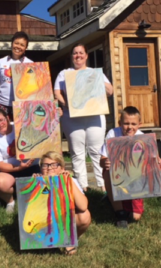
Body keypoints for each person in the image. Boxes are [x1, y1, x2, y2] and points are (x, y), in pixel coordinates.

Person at [54, 43, 113, 192]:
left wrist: (98, 80)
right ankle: (82, 188)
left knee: (97, 151)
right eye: (75, 53)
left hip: (94, 117)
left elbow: (110, 91)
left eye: (81, 53)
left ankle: (103, 187)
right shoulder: (64, 73)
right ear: (71, 56)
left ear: (86, 56)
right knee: (77, 153)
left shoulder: (94, 73)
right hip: (72, 118)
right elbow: (57, 93)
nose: (78, 55)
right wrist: (68, 104)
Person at [99, 106, 159, 228]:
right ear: (120, 123)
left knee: (135, 217)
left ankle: (115, 199)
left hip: (135, 177)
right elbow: (102, 160)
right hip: (118, 175)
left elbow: (153, 160)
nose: (129, 127)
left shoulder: (144, 138)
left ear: (139, 124)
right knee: (107, 171)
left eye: (133, 124)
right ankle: (119, 213)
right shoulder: (113, 134)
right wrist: (105, 162)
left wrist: (157, 161)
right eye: (126, 123)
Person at [0, 108, 39, 213]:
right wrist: (18, 168)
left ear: (7, 118)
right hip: (9, 172)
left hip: (31, 166)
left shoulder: (20, 126)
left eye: (1, 120)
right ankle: (10, 201)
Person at [38, 151, 91, 255]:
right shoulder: (36, 181)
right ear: (41, 168)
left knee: (85, 216)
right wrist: (36, 185)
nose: (49, 168)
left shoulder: (70, 180)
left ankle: (70, 241)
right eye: (45, 165)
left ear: (62, 168)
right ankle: (49, 243)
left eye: (54, 165)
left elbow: (83, 206)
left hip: (65, 218)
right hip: (45, 221)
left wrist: (69, 181)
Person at [0, 31, 32, 120]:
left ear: (26, 48)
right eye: (16, 43)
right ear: (12, 44)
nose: (18, 47)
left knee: (19, 133)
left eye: (22, 45)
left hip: (22, 106)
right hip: (2, 105)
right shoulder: (0, 62)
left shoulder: (30, 64)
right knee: (3, 132)